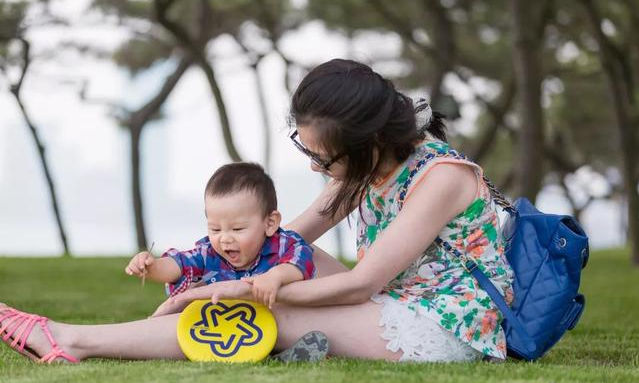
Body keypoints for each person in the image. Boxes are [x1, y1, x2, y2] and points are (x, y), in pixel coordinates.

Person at [0, 58, 514, 364]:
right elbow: (282, 242)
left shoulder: (441, 177)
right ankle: (106, 335)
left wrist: (231, 288)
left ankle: (71, 340)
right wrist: (207, 268)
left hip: (449, 323)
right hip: (399, 296)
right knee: (277, 262)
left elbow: (361, 285)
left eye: (322, 157)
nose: (315, 167)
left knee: (260, 308)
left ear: (370, 141)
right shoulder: (371, 167)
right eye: (306, 151)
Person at [125, 162, 315, 310]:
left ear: (270, 223)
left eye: (237, 229)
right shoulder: (209, 254)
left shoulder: (284, 245)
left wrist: (275, 276)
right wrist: (152, 267)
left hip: (279, 319)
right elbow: (179, 265)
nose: (224, 238)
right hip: (226, 325)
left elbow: (300, 261)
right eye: (215, 229)